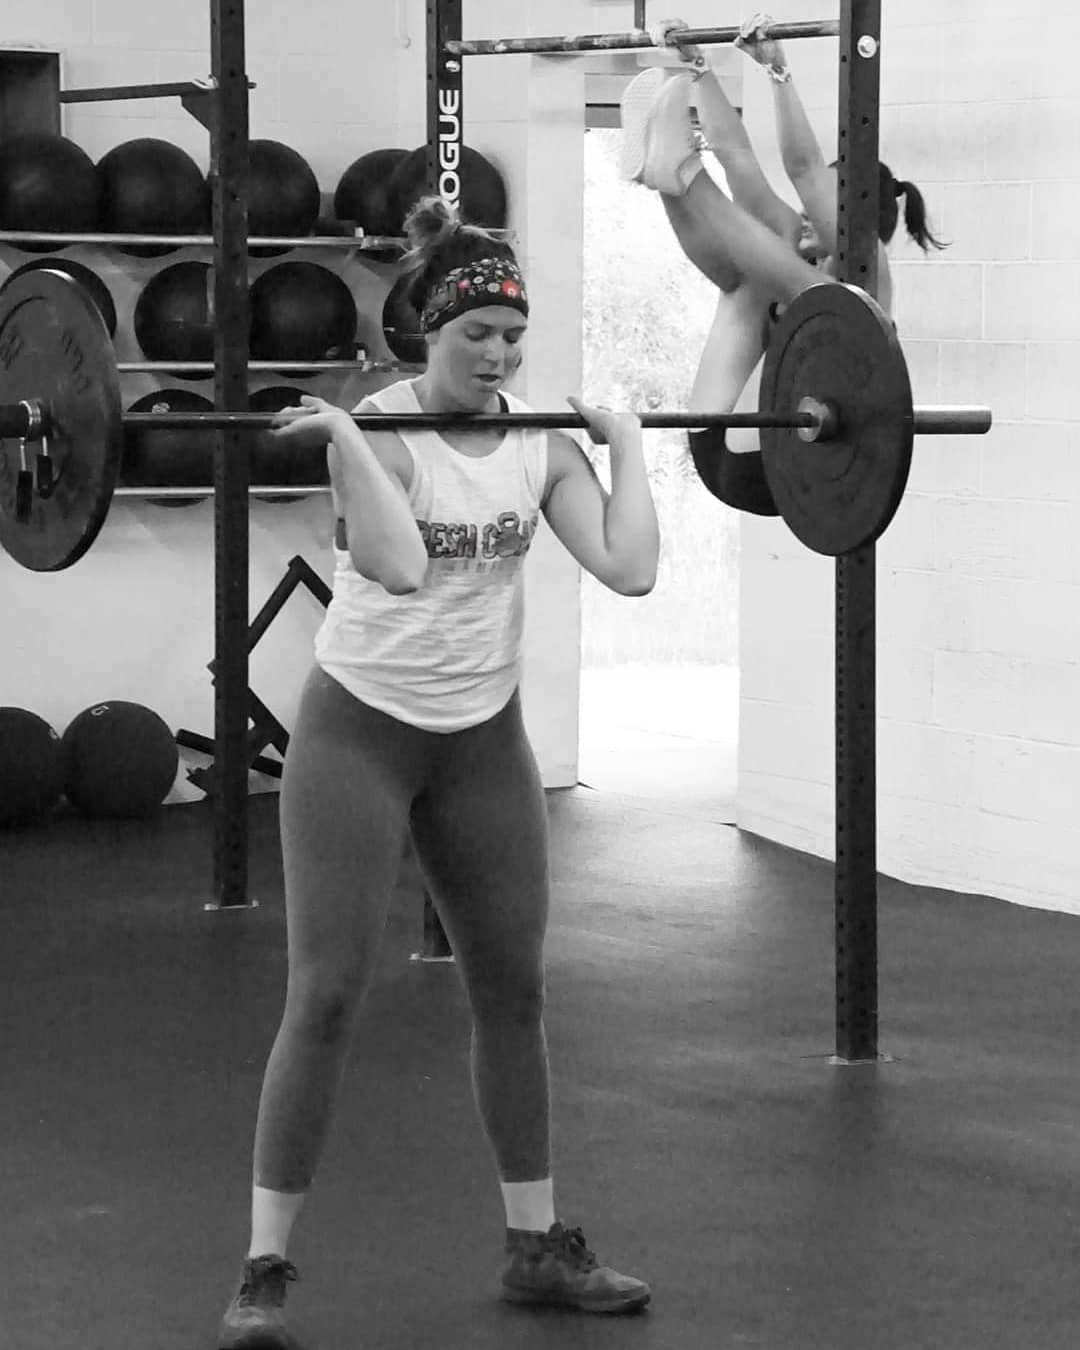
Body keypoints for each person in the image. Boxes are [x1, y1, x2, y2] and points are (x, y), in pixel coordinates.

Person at [217, 196, 658, 1349]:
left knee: (514, 991)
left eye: (513, 336)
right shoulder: (379, 431)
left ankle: (536, 1248)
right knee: (326, 996)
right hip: (360, 738)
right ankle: (263, 1270)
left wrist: (625, 448)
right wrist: (348, 440)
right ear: (428, 331)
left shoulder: (541, 442)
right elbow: (402, 566)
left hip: (480, 743)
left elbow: (630, 568)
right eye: (477, 337)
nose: (498, 356)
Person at [619, 12, 946, 515]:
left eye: (822, 208)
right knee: (749, 279)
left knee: (819, 295)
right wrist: (699, 71)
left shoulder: (871, 275)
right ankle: (665, 178)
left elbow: (803, 168)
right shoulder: (794, 241)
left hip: (788, 469)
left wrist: (779, 73)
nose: (805, 216)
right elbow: (738, 156)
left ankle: (683, 176)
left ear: (858, 219)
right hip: (716, 441)